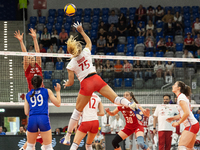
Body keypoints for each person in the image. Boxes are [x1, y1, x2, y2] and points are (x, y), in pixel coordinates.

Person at [60, 22, 139, 145]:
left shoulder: (71, 64)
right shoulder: (86, 52)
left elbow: (70, 82)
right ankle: (129, 103)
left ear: (70, 51)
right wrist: (81, 31)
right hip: (96, 78)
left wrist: (66, 84)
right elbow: (89, 42)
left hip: (86, 83)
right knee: (116, 98)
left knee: (77, 111)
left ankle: (67, 137)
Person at [24, 75, 61, 150]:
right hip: (43, 118)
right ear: (42, 83)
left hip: (32, 118)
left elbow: (26, 112)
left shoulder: (28, 95)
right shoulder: (47, 91)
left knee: (30, 146)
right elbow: (58, 103)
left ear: (32, 84)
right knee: (48, 147)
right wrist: (58, 92)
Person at [166, 81, 199, 149]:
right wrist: (173, 118)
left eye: (174, 85)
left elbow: (187, 113)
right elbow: (183, 114)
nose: (172, 86)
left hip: (191, 125)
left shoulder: (181, 98)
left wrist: (178, 122)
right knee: (189, 148)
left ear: (179, 88)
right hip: (193, 124)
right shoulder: (181, 97)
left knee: (181, 146)